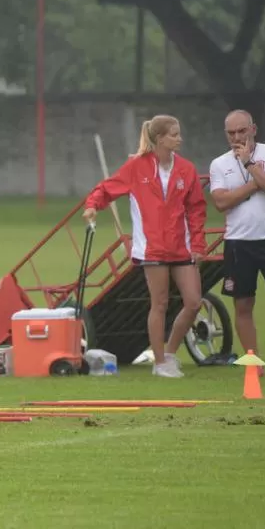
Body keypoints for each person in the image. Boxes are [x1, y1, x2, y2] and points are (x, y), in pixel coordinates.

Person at [82, 114, 207, 378]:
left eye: (179, 133)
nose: (180, 138)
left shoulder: (187, 169)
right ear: (159, 138)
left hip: (182, 247)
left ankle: (169, 353)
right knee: (159, 303)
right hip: (152, 248)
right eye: (174, 134)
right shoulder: (136, 167)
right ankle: (159, 363)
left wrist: (197, 243)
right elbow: (106, 189)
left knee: (194, 302)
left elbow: (196, 209)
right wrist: (93, 206)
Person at [209, 109, 265, 372]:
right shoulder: (219, 164)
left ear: (253, 129)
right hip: (238, 243)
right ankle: (254, 364)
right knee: (243, 303)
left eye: (242, 131)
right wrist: (255, 183)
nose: (237, 137)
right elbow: (221, 202)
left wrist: (249, 164)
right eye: (231, 133)